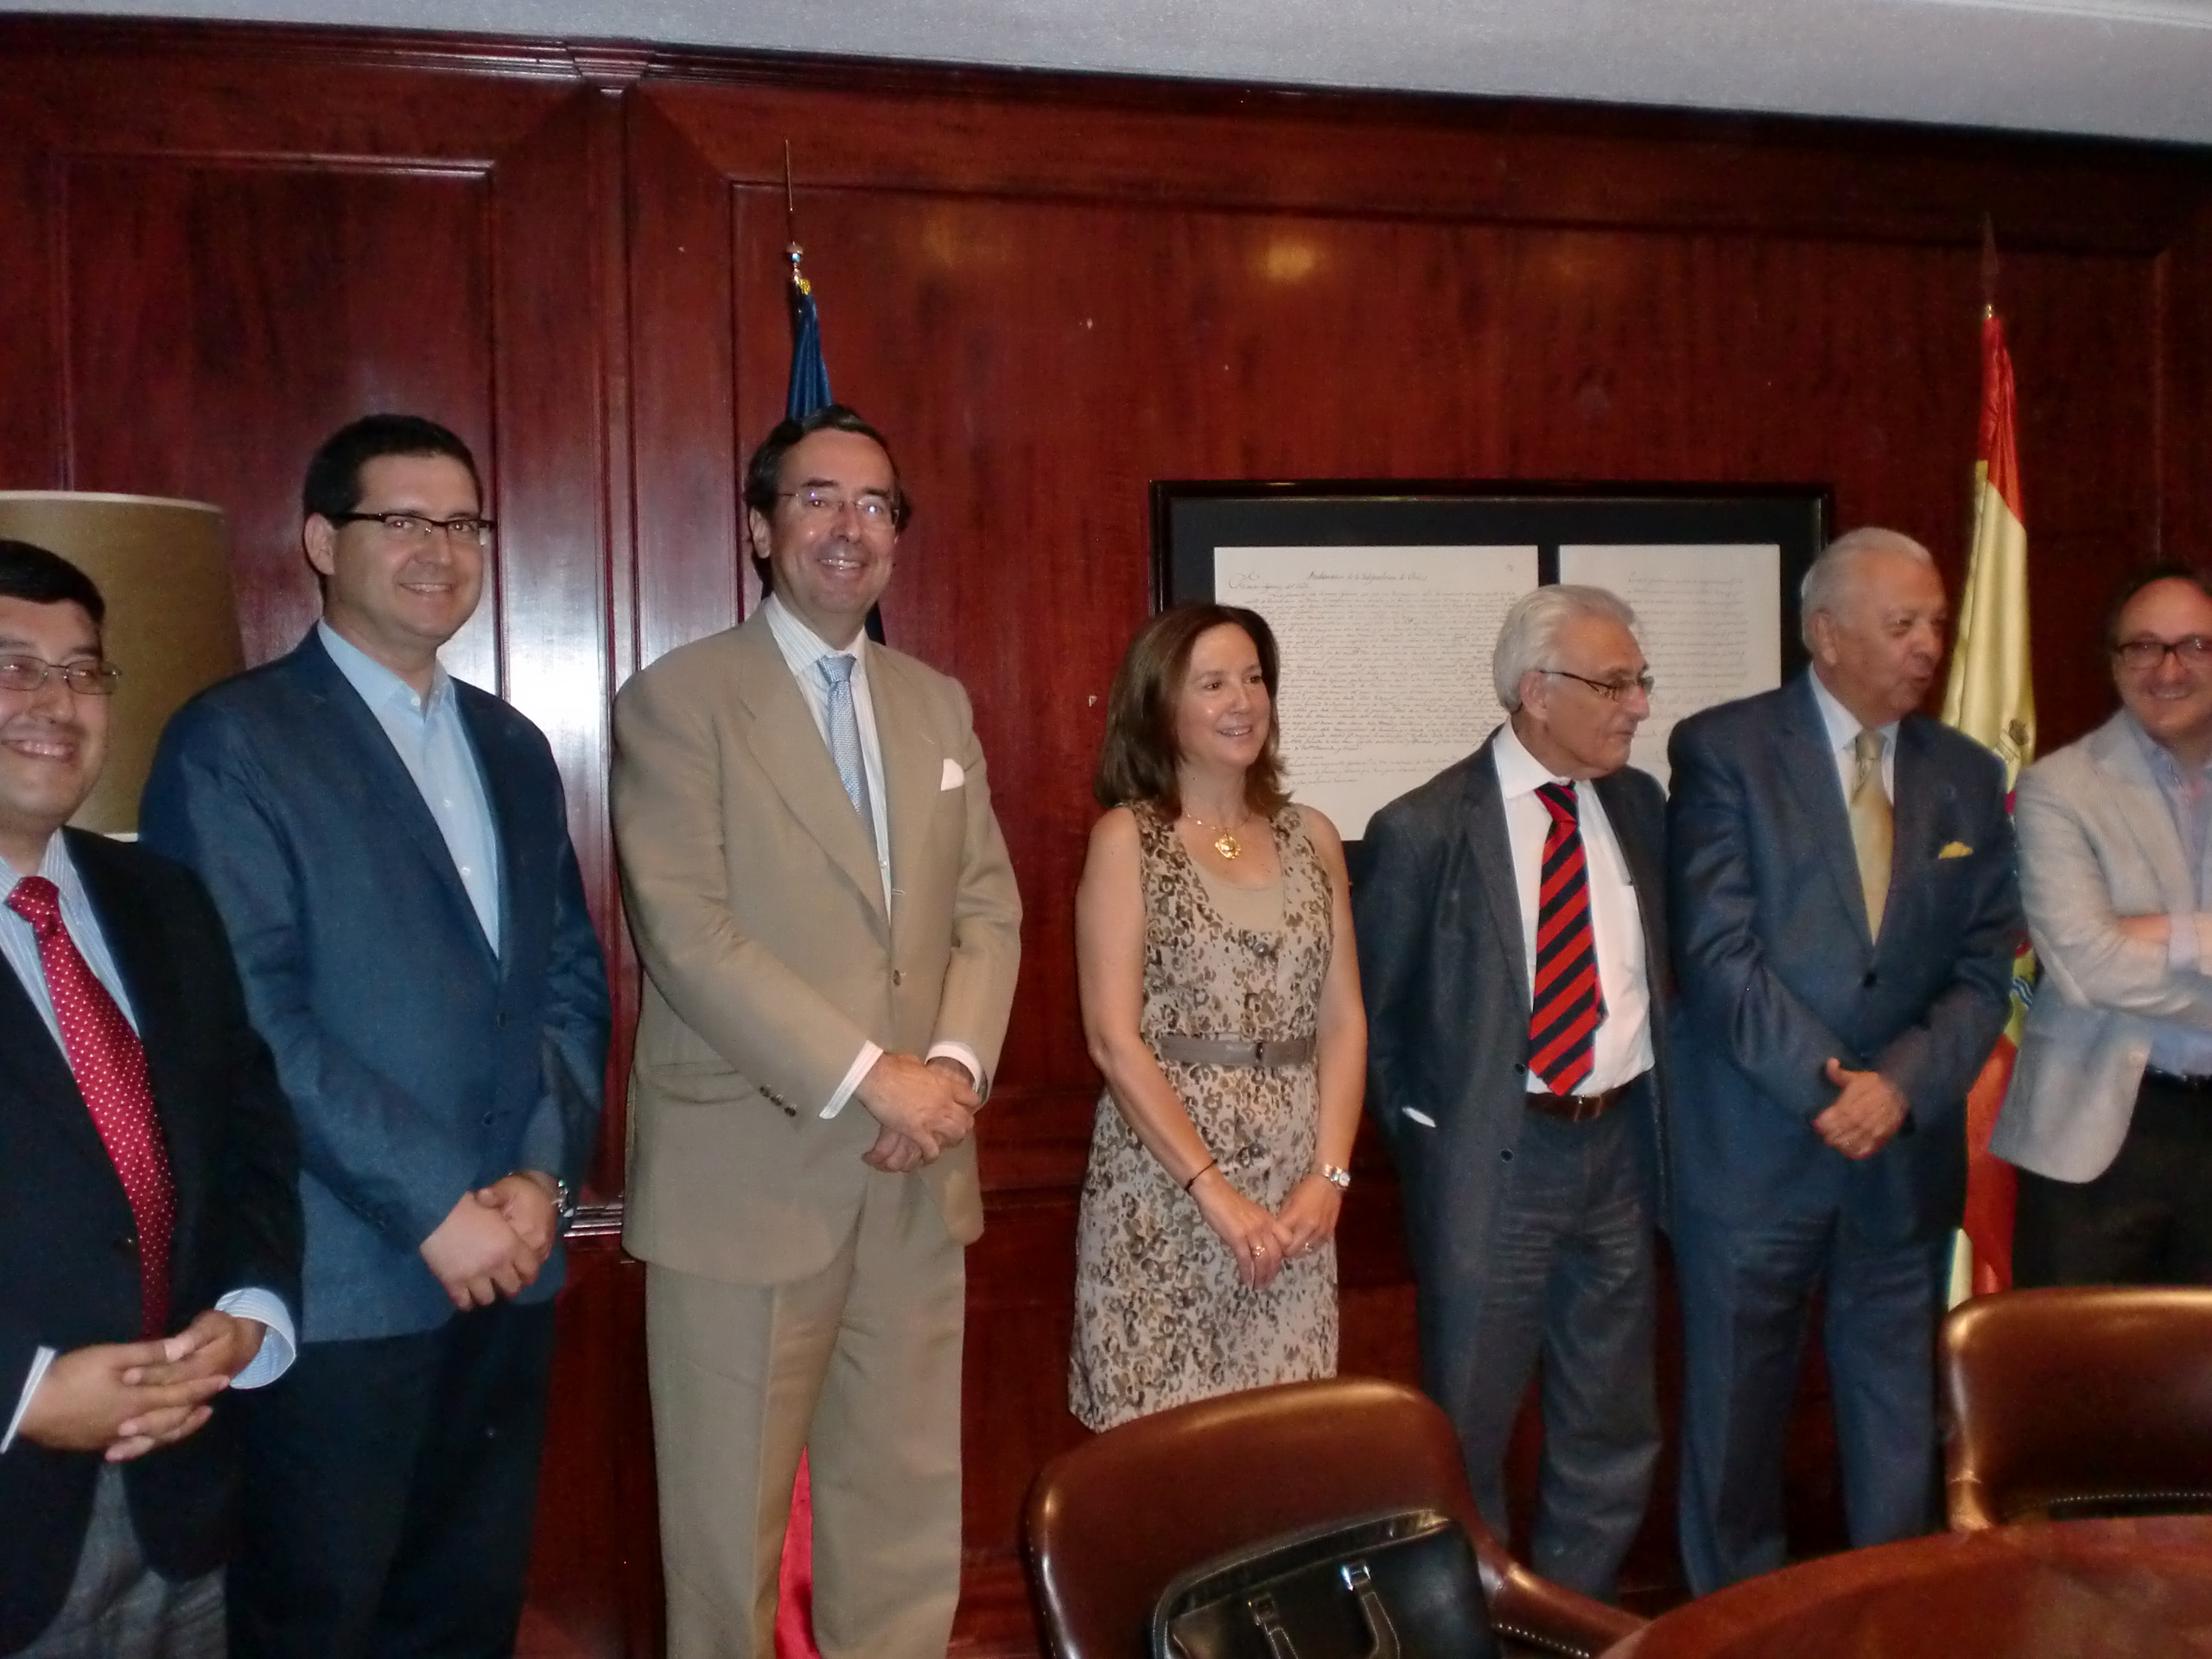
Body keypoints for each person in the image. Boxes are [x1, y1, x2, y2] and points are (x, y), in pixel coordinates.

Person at [138, 415, 611, 1657]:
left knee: (466, 1613)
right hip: (341, 1281)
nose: (437, 550)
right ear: (319, 541)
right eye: (400, 520)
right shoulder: (233, 743)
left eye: (461, 523)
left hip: (512, 1264)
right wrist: (433, 1207)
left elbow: (567, 979)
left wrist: (539, 1181)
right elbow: (250, 1017)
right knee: (320, 1622)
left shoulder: (512, 746)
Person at [613, 403, 1021, 1659]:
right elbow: (688, 932)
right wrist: (874, 1079)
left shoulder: (936, 705)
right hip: (749, 1181)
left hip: (917, 1176)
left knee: (900, 1532)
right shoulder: (679, 699)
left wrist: (949, 1072)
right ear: (760, 528)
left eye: (875, 504)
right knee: (725, 1549)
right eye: (818, 498)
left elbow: (986, 910)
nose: (851, 525)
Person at [1668, 526, 2019, 1592]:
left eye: (1936, 624)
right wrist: (1831, 1089)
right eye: (1901, 624)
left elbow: (1982, 968)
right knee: (1735, 1429)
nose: (1928, 647)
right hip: (1755, 1153)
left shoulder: (1966, 773)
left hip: (1899, 1160)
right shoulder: (1724, 750)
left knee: (1897, 1424)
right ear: (1824, 634)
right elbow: (1717, 954)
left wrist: (1899, 1089)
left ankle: (1894, 1618)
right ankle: (1735, 1627)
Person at [0, 540, 302, 1658]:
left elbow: (251, 1131)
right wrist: (22, 1393)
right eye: (13, 666)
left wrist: (252, 1309)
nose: (55, 701)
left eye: (82, 671)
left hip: (187, 1493)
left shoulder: (160, 898)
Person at [1355, 585, 1670, 1601]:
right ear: (1537, 690)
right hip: (1496, 1163)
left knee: (1611, 1421)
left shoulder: (1639, 806)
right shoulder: (1424, 829)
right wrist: (1436, 1145)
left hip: (1620, 1150)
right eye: (1613, 685)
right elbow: (1375, 1022)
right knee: (1466, 1426)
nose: (1638, 705)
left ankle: (1574, 1622)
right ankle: (1473, 1627)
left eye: (1639, 681)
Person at [1069, 604, 1364, 1430]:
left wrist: (1330, 1176)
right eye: (1212, 684)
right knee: (1162, 1454)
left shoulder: (1312, 836)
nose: (1243, 701)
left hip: (1296, 1197)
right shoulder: (1128, 839)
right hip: (1164, 1192)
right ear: (1160, 705)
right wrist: (1214, 1192)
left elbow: (1343, 1021)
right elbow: (1113, 1040)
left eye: (1254, 679)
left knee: (1284, 1443)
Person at [1994, 563, 2212, 1284]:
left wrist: (2154, 931)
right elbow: (2087, 965)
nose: (2168, 669)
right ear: (2114, 662)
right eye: (2143, 646)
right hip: (2095, 1141)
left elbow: (2116, 957)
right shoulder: (2059, 788)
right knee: (2072, 1353)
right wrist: (2201, 935)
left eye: (2195, 645)